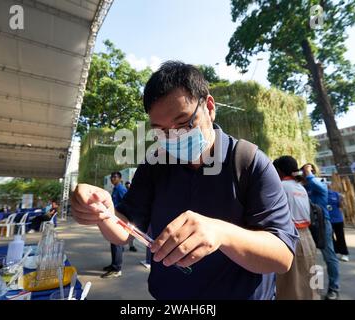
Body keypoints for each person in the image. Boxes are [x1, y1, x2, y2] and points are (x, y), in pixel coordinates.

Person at [71, 61, 298, 299]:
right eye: (161, 131)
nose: (174, 138)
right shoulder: (154, 166)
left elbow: (282, 256)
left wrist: (221, 233)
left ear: (209, 107)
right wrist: (103, 212)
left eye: (183, 124)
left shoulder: (248, 162)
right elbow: (126, 230)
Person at [273, 156, 319, 300]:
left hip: (290, 238)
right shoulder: (301, 187)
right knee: (308, 280)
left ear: (279, 171)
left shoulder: (280, 187)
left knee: (291, 285)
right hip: (307, 238)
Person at [301, 163, 340, 300]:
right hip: (307, 225)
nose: (305, 174)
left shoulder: (320, 185)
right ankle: (314, 289)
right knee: (310, 258)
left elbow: (312, 181)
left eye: (307, 171)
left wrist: (308, 171)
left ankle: (334, 288)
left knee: (329, 257)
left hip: (323, 225)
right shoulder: (303, 188)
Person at [101, 172, 128, 278]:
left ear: (120, 178)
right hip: (114, 219)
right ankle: (113, 265)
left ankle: (117, 269)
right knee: (113, 242)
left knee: (117, 244)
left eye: (115, 177)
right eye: (111, 177)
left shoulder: (121, 189)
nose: (112, 178)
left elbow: (125, 203)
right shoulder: (116, 189)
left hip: (118, 220)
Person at [327, 187, 350, 262]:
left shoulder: (335, 194)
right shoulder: (320, 194)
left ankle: (344, 254)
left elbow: (341, 206)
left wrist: (342, 200)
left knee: (340, 237)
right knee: (329, 237)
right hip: (327, 220)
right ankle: (335, 251)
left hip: (338, 220)